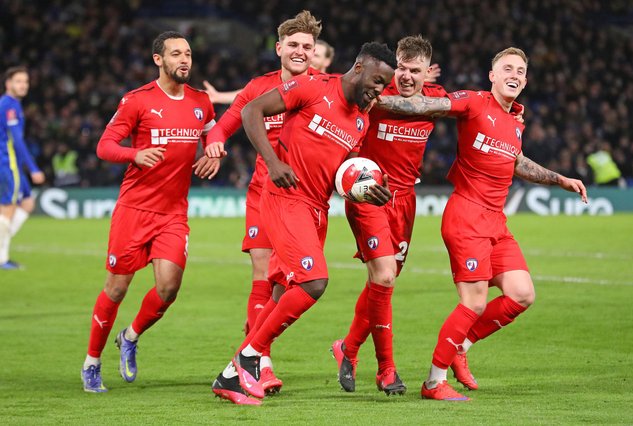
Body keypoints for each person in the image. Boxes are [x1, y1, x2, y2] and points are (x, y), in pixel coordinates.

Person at [377, 47, 588, 401]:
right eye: (507, 68)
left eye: (520, 71)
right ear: (492, 75)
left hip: (496, 222)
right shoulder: (474, 102)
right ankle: (434, 382)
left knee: (522, 294)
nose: (514, 75)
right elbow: (427, 105)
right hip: (466, 216)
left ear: (525, 81)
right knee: (473, 302)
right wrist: (376, 100)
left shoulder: (515, 122)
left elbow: (517, 161)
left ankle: (460, 346)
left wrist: (559, 179)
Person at [210, 42, 397, 406]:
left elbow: (344, 174)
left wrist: (366, 189)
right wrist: (272, 162)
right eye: (377, 81)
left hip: (317, 210)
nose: (379, 90)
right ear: (359, 68)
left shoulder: (361, 119)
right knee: (314, 281)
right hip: (286, 198)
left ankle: (233, 374)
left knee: (284, 292)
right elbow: (251, 110)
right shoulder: (314, 87)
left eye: (384, 86)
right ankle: (247, 359)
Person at [80, 31, 219, 393]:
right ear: (159, 59)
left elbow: (213, 133)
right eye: (176, 54)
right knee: (116, 288)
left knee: (169, 287)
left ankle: (130, 335)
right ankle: (92, 361)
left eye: (188, 54)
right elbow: (104, 146)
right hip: (134, 209)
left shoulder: (201, 101)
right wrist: (135, 154)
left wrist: (215, 152)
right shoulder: (137, 100)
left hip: (173, 213)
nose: (184, 60)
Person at [203, 10, 323, 394]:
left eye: (307, 46)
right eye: (293, 44)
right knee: (261, 271)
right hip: (262, 193)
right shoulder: (259, 87)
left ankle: (252, 348)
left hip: (304, 199)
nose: (300, 51)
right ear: (279, 48)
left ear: (315, 51)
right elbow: (225, 124)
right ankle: (260, 363)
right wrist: (215, 143)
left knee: (287, 284)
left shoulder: (322, 89)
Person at [330, 35, 447, 396]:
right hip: (369, 194)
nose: (407, 76)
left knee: (382, 281)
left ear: (427, 71)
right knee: (384, 276)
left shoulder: (437, 99)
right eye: (403, 68)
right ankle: (386, 370)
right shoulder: (374, 92)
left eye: (416, 71)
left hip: (406, 200)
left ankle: (347, 348)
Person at [0, 66, 45, 270]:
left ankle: (2, 243)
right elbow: (17, 140)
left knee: (27, 203)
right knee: (7, 209)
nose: (23, 85)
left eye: (25, 81)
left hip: (14, 164)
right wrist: (33, 168)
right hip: (7, 162)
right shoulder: (8, 105)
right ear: (8, 84)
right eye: (18, 81)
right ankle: (2, 259)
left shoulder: (14, 104)